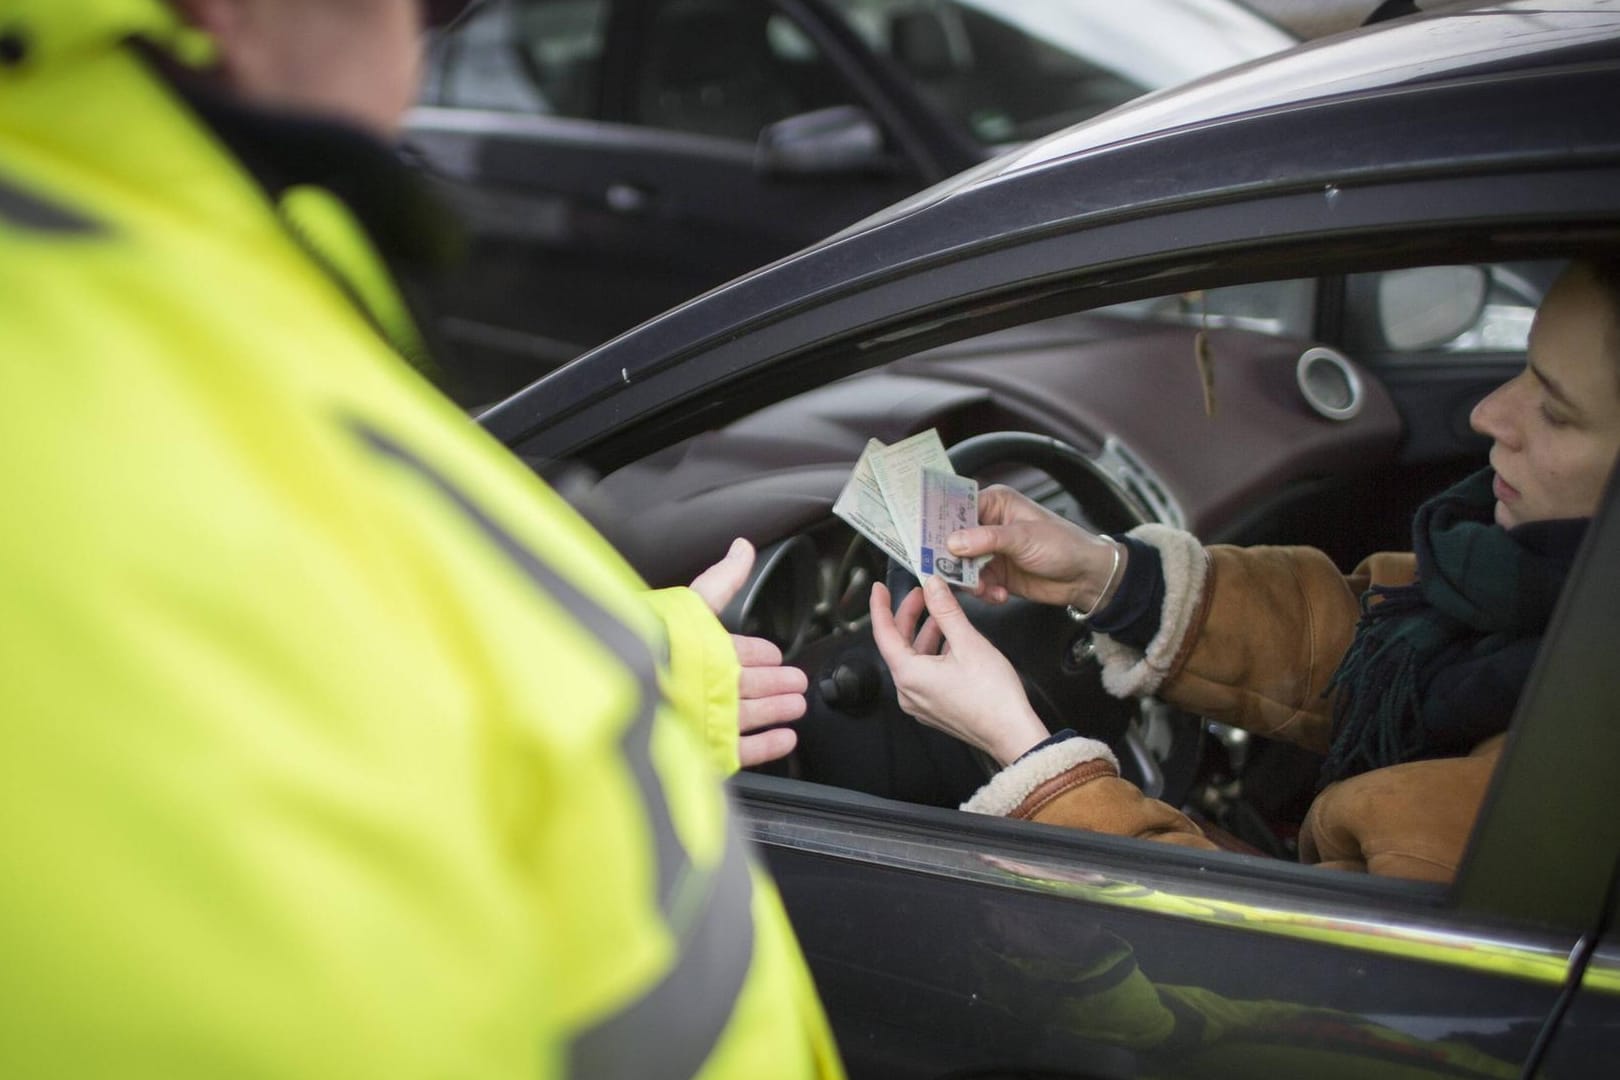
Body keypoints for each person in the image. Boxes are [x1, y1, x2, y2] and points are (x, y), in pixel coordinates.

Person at [0, 1, 839, 1076]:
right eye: (414, 15)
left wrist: (660, 668)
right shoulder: (134, 345)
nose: (410, 75)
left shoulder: (131, 286)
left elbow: (316, 652)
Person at [871, 258, 1620, 882]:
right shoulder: (1541, 590)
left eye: (1555, 411)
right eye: (1522, 368)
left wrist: (1028, 758)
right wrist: (1103, 576)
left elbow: (1288, 976)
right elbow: (1371, 646)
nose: (1490, 413)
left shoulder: (1551, 788)